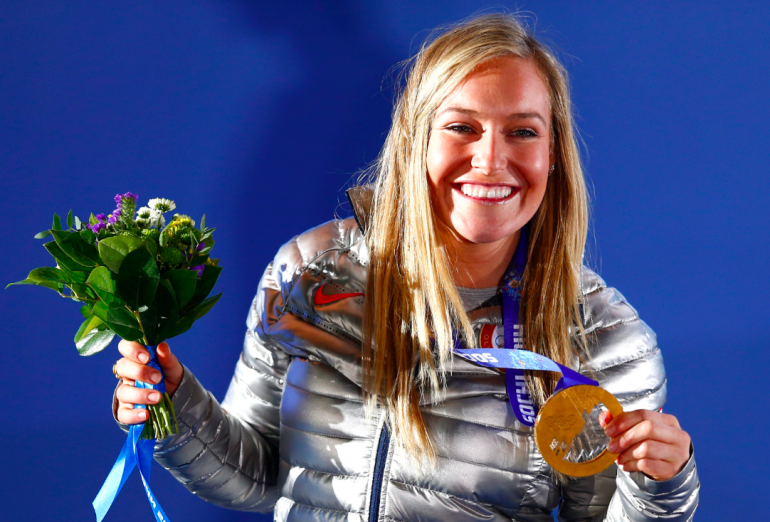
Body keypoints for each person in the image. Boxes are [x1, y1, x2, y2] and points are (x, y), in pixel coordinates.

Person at [113, 14, 698, 521]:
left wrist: (662, 485)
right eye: (461, 127)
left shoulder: (604, 337)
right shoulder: (308, 274)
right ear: (414, 139)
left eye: (522, 131)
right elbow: (258, 477)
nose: (491, 160)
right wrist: (173, 405)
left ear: (554, 155)